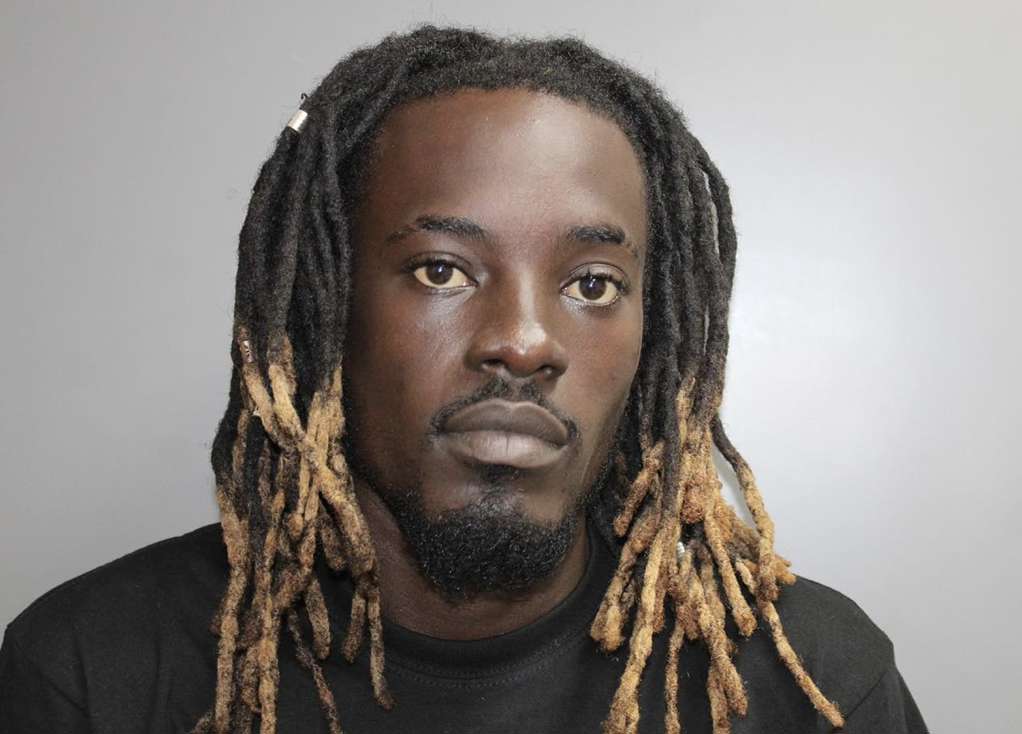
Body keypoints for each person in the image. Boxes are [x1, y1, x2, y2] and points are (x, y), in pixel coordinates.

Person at [0, 25, 928, 734]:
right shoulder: (92, 671)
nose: (523, 343)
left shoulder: (813, 679)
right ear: (325, 311)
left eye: (593, 284)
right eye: (442, 270)